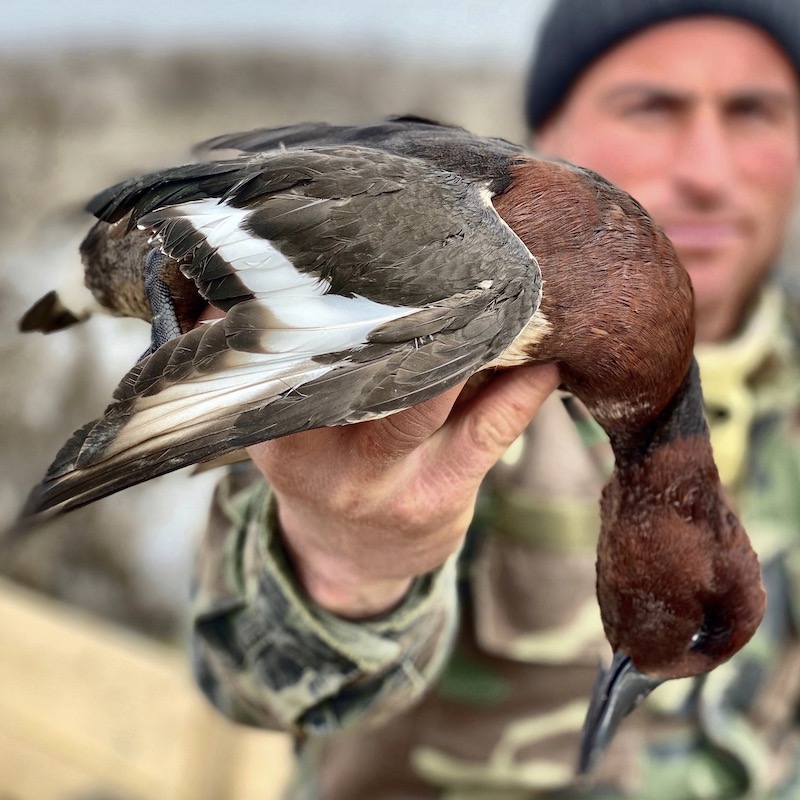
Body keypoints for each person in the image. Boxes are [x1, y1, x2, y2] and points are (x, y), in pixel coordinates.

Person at [190, 1, 800, 797]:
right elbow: (252, 680)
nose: (708, 170)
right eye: (653, 106)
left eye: (754, 110)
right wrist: (343, 569)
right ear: (551, 139)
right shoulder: (427, 335)